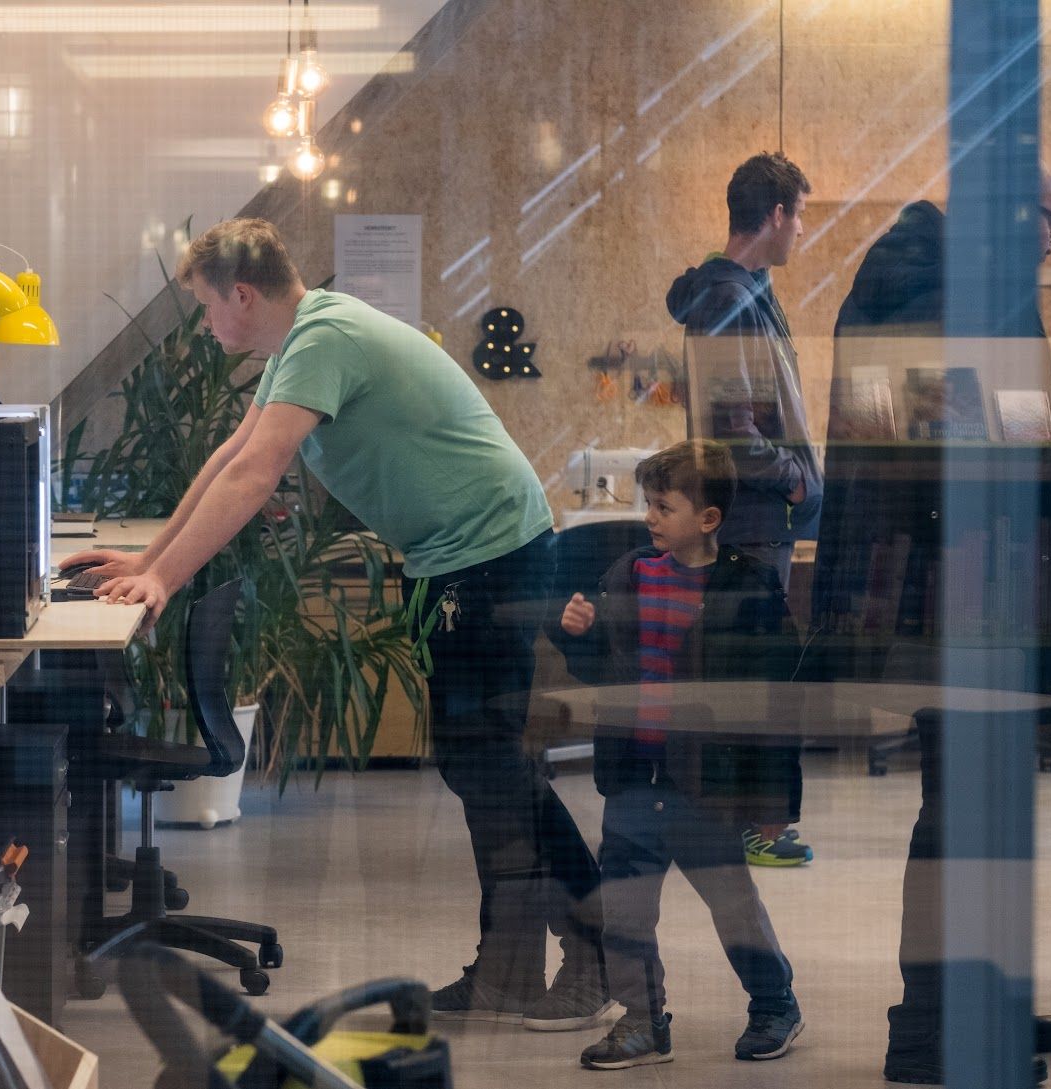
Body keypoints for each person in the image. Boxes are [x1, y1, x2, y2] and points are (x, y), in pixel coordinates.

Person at [61, 217, 611, 1028]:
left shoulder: (323, 335)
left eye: (209, 307)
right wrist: (150, 564)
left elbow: (255, 474)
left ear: (242, 293)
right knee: (479, 766)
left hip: (490, 551)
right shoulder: (300, 341)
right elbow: (229, 453)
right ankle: (509, 967)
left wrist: (163, 581)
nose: (209, 326)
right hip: (455, 555)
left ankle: (598, 954)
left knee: (493, 765)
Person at [827, 171, 1051, 1086]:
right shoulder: (952, 285)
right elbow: (1000, 446)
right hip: (962, 596)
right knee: (964, 816)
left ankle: (968, 1009)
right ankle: (931, 1033)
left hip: (943, 589)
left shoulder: (910, 273)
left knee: (971, 812)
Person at [557, 439, 804, 1069]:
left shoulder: (750, 593)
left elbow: (777, 707)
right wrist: (579, 639)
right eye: (648, 504)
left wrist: (775, 803)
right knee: (626, 917)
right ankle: (642, 1023)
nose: (649, 516)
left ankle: (775, 1003)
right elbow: (603, 677)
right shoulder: (627, 577)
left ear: (708, 519)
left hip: (707, 787)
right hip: (635, 780)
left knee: (734, 908)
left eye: (663, 506)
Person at [667, 151, 824, 868]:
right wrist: (793, 476)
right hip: (756, 517)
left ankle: (736, 822)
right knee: (756, 679)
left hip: (756, 517)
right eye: (800, 217)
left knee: (744, 671)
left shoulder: (740, 289)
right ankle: (755, 826)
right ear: (775, 215)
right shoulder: (727, 300)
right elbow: (736, 426)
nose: (802, 234)